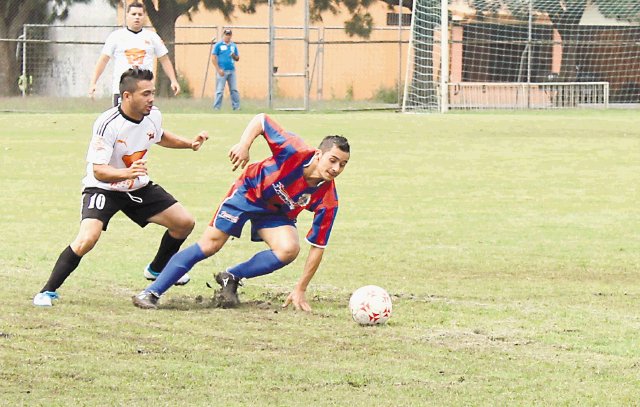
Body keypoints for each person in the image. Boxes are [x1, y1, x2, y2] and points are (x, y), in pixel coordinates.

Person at [132, 113, 350, 311]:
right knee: (210, 245)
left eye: (343, 164)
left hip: (276, 214)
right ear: (319, 154)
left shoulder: (328, 199)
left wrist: (300, 289)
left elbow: (318, 247)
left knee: (288, 249)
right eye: (333, 160)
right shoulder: (293, 149)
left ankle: (232, 276)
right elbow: (262, 120)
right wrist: (244, 145)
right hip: (248, 193)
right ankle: (151, 292)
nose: (336, 169)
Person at [33, 68, 209, 307]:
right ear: (127, 96)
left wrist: (189, 143)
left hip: (136, 186)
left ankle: (156, 269)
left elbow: (158, 135)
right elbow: (98, 170)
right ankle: (47, 291)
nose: (151, 99)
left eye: (152, 93)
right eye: (145, 94)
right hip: (103, 188)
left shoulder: (153, 115)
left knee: (184, 223)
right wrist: (126, 173)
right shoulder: (108, 124)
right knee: (88, 238)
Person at [88, 1, 181, 106]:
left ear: (145, 16)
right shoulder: (116, 36)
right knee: (122, 120)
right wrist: (93, 82)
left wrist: (173, 80)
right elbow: (103, 60)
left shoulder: (152, 37)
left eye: (140, 14)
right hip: (122, 89)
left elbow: (164, 59)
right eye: (133, 14)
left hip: (145, 89)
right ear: (127, 15)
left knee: (143, 120)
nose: (137, 17)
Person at [211, 29, 240, 110]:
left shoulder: (233, 46)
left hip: (231, 70)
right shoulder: (218, 45)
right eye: (226, 35)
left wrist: (234, 56)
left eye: (229, 35)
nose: (227, 36)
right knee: (219, 90)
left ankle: (236, 107)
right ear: (223, 35)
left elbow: (237, 58)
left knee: (234, 90)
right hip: (222, 71)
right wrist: (218, 69)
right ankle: (216, 107)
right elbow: (213, 58)